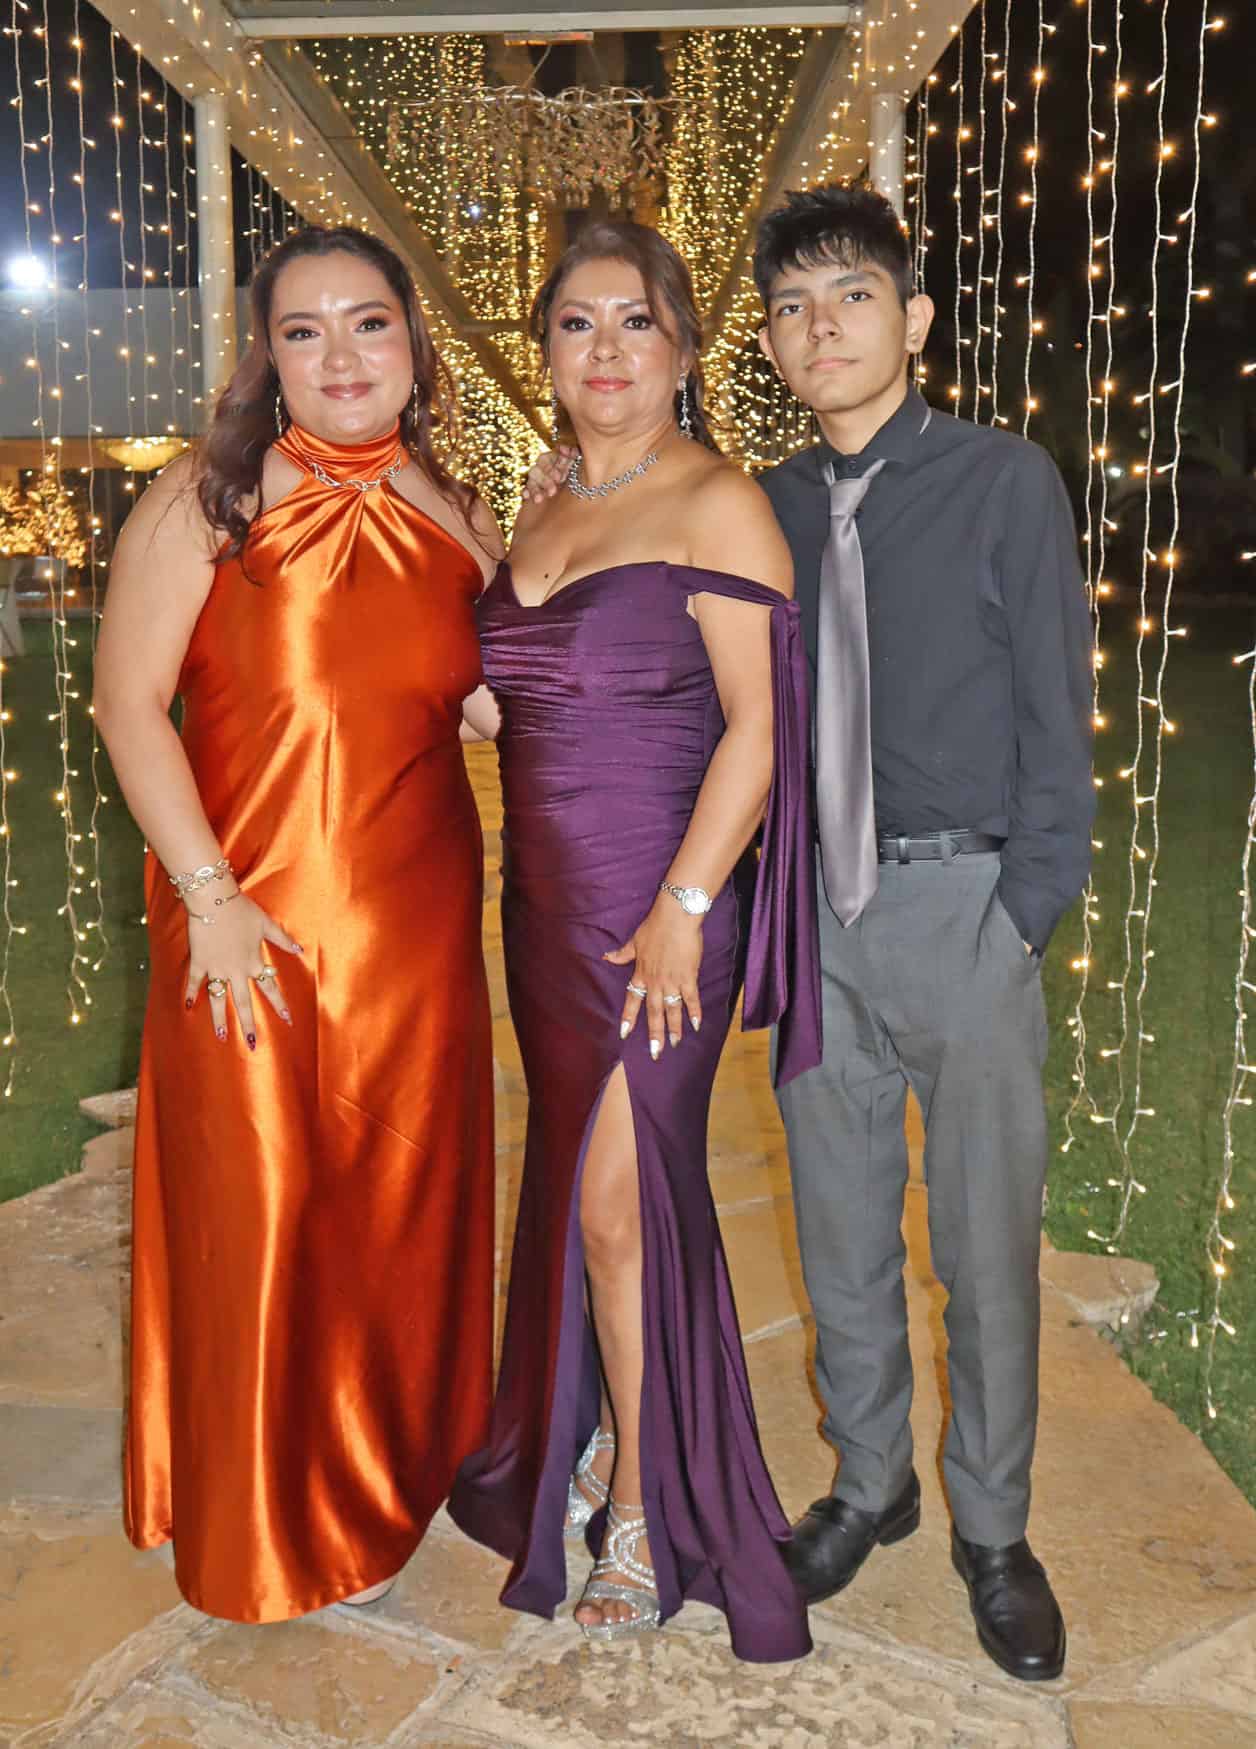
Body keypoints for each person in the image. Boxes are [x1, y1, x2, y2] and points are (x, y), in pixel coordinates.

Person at [95, 225, 502, 1621]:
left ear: (412, 343)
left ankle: (397, 1463)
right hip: (247, 923)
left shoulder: (457, 511)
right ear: (266, 354)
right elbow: (126, 705)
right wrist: (208, 897)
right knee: (265, 1208)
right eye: (304, 329)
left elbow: (488, 700)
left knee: (397, 1205)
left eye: (368, 323)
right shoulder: (205, 497)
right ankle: (266, 1521)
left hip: (417, 931)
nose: (340, 355)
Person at [447, 221, 820, 1663]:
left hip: (663, 907)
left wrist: (686, 907)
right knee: (583, 1189)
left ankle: (650, 1506)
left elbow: (761, 728)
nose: (605, 349)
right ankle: (601, 1424)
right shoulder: (542, 507)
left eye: (636, 322)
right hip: (544, 909)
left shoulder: (719, 502)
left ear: (682, 348)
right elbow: (509, 698)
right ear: (546, 352)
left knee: (620, 1202)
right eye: (577, 324)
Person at [753, 184, 1093, 1682]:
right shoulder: (760, 506)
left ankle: (995, 1531)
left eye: (852, 297)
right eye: (791, 306)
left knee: (983, 1247)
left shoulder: (1003, 481)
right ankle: (869, 1482)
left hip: (965, 908)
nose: (820, 327)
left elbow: (1057, 709)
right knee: (839, 1231)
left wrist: (1024, 912)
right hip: (811, 916)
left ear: (916, 320)